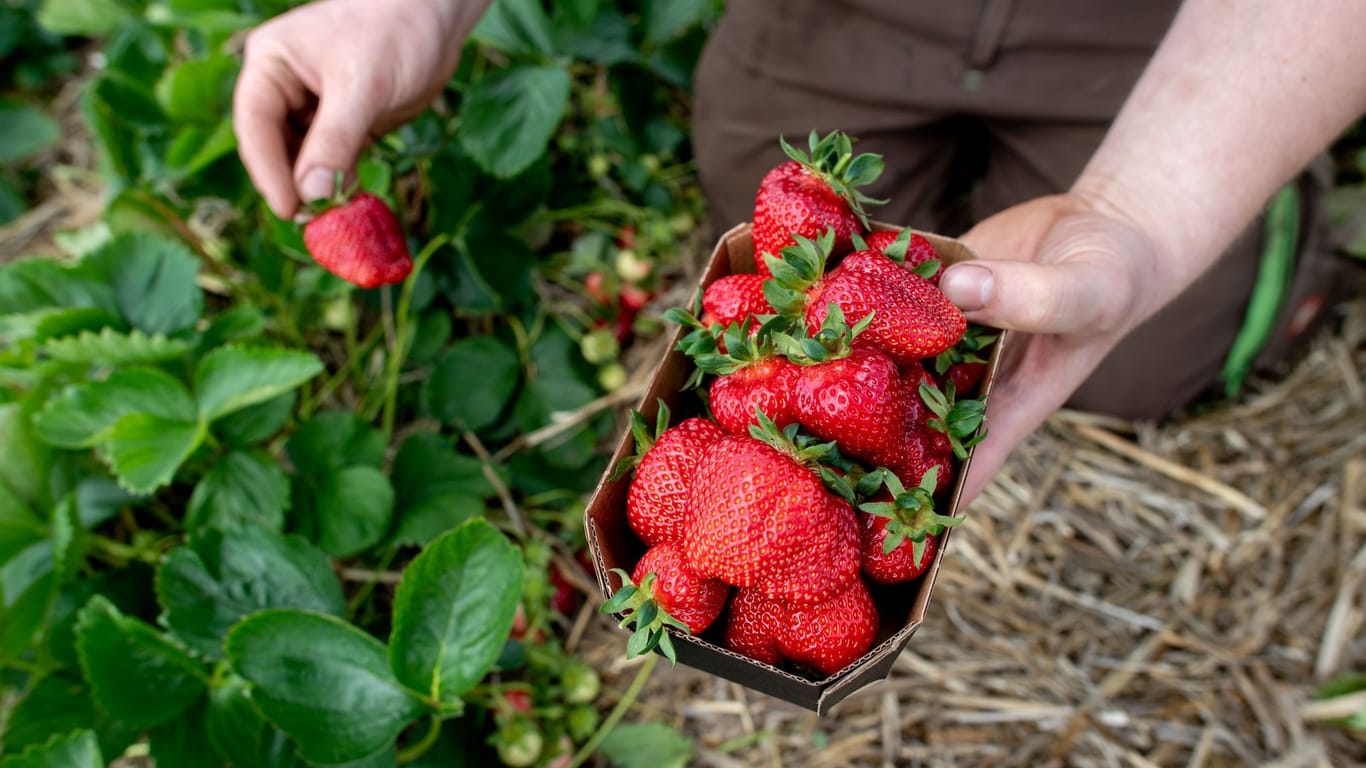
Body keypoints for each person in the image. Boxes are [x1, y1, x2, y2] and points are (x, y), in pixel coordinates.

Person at [232, 0, 1366, 504]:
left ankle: (1295, 232)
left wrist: (1148, 208)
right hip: (842, 9)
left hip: (1168, 23)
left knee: (1132, 359)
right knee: (774, 212)